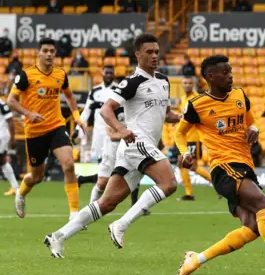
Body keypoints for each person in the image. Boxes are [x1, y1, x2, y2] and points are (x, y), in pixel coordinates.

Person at [43, 34, 181, 258]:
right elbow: (106, 110)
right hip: (137, 143)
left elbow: (167, 115)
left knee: (106, 203)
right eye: (149, 52)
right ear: (138, 55)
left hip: (136, 149)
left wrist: (186, 118)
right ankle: (122, 224)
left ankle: (58, 236)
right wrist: (122, 129)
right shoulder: (132, 82)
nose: (154, 56)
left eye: (157, 52)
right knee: (169, 183)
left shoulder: (164, 81)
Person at [174, 55, 265, 275]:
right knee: (264, 203)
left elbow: (250, 121)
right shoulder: (197, 105)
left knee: (253, 228)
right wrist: (185, 152)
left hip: (244, 164)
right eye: (224, 72)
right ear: (210, 77)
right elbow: (179, 132)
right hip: (223, 167)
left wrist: (253, 128)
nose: (230, 75)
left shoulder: (239, 95)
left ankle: (196, 260)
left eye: (230, 70)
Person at [7, 37, 86, 219]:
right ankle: (21, 192)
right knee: (37, 177)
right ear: (38, 53)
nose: (49, 54)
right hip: (34, 132)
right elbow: (11, 100)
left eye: (52, 51)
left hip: (57, 126)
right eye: (46, 51)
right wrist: (29, 114)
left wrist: (76, 117)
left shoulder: (60, 74)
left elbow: (70, 96)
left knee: (69, 165)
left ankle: (74, 213)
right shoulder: (26, 75)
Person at [77, 65, 149, 216]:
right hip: (107, 143)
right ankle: (87, 212)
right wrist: (78, 131)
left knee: (135, 174)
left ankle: (137, 206)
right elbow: (107, 129)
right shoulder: (110, 98)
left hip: (128, 146)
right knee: (103, 182)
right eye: (106, 72)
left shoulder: (133, 104)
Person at [176, 76, 212, 201]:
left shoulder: (197, 98)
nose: (187, 85)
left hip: (193, 137)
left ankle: (217, 184)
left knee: (192, 165)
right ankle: (189, 193)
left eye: (189, 83)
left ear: (193, 85)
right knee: (182, 164)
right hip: (184, 137)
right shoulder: (182, 99)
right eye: (185, 83)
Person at [0, 99, 19, 195]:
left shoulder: (2, 104)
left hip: (1, 136)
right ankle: (15, 187)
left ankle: (15, 187)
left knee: (2, 161)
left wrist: (13, 138)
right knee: (2, 162)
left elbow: (10, 121)